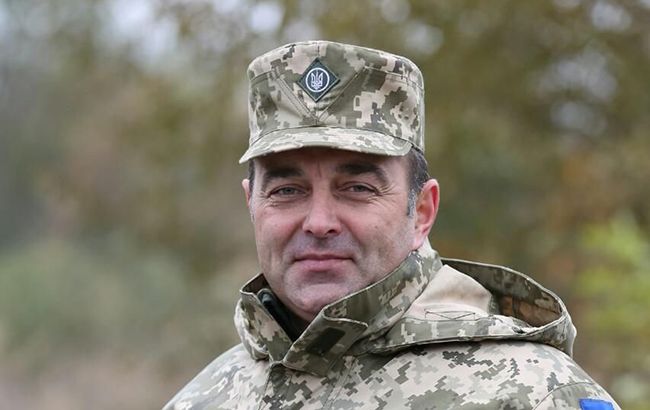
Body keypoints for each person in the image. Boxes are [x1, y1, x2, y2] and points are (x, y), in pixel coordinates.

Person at [163, 41, 619, 410]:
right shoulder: (204, 398)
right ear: (251, 205)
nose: (319, 222)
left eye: (357, 188)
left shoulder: (531, 393)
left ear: (422, 211)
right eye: (287, 191)